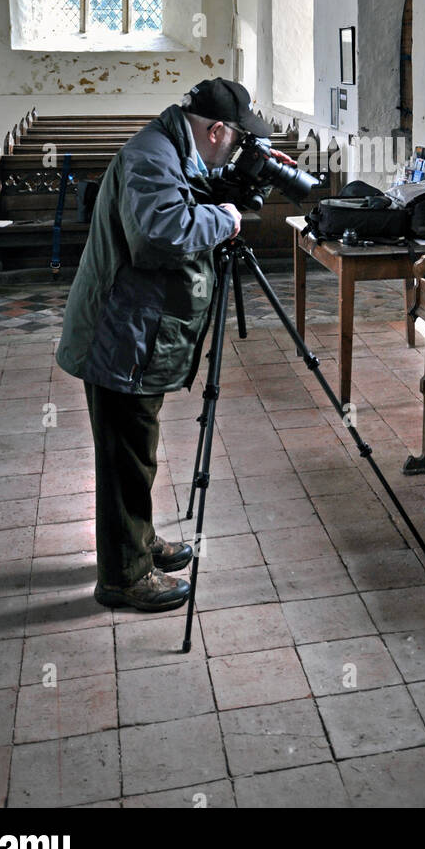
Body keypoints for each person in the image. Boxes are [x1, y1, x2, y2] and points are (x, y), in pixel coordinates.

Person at [55, 78, 294, 612]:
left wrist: (229, 184)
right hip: (122, 338)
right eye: (235, 141)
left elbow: (184, 194)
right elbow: (160, 233)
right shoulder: (150, 156)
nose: (235, 149)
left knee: (134, 451)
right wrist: (226, 218)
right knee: (125, 456)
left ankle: (135, 542)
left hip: (135, 333)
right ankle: (124, 577)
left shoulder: (168, 148)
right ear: (215, 130)